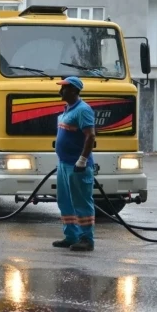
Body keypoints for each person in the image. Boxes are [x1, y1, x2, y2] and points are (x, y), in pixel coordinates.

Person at [53, 76, 97, 252]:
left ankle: (86, 239)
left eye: (64, 88)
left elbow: (90, 136)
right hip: (64, 164)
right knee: (65, 202)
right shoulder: (67, 110)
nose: (60, 91)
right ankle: (71, 236)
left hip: (77, 165)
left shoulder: (83, 110)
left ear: (74, 91)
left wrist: (82, 160)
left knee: (81, 202)